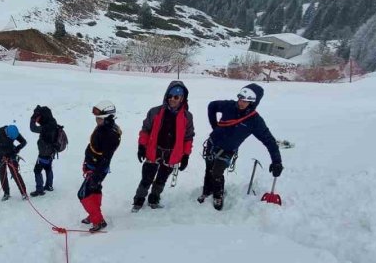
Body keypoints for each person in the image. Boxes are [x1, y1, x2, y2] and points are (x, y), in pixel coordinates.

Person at [201, 83, 283, 211]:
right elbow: (212, 106)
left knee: (217, 172)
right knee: (209, 168)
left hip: (227, 150)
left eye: (245, 101)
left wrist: (277, 161)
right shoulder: (229, 106)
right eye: (240, 98)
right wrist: (214, 126)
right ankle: (207, 191)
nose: (241, 103)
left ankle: (218, 196)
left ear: (253, 103)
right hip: (213, 143)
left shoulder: (255, 121)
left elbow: (270, 141)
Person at [133, 81, 195, 211]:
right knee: (146, 179)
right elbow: (145, 130)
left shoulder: (187, 117)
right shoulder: (155, 112)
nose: (172, 99)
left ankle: (154, 199)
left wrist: (186, 156)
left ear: (182, 99)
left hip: (172, 154)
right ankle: (138, 201)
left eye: (176, 97)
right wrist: (141, 146)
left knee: (161, 180)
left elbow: (188, 138)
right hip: (153, 151)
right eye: (170, 96)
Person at [78, 101, 122, 232]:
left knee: (83, 194)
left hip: (98, 169)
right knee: (94, 190)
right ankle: (94, 215)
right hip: (93, 165)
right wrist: (86, 161)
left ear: (108, 118)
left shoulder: (111, 134)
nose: (96, 121)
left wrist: (96, 175)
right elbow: (93, 145)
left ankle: (98, 221)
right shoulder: (103, 128)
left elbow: (106, 158)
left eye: (99, 118)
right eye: (96, 118)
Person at [0, 124, 28, 201]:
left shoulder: (14, 132)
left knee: (15, 173)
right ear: (6, 133)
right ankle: (6, 193)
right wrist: (5, 153)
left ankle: (24, 192)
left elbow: (24, 142)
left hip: (11, 153)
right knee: (2, 174)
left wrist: (16, 149)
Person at [29, 105, 60, 197]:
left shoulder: (47, 126)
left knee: (37, 170)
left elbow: (33, 128)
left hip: (44, 151)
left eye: (39, 117)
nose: (38, 120)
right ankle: (49, 186)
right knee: (48, 167)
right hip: (51, 150)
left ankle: (39, 190)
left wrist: (32, 119)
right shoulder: (52, 122)